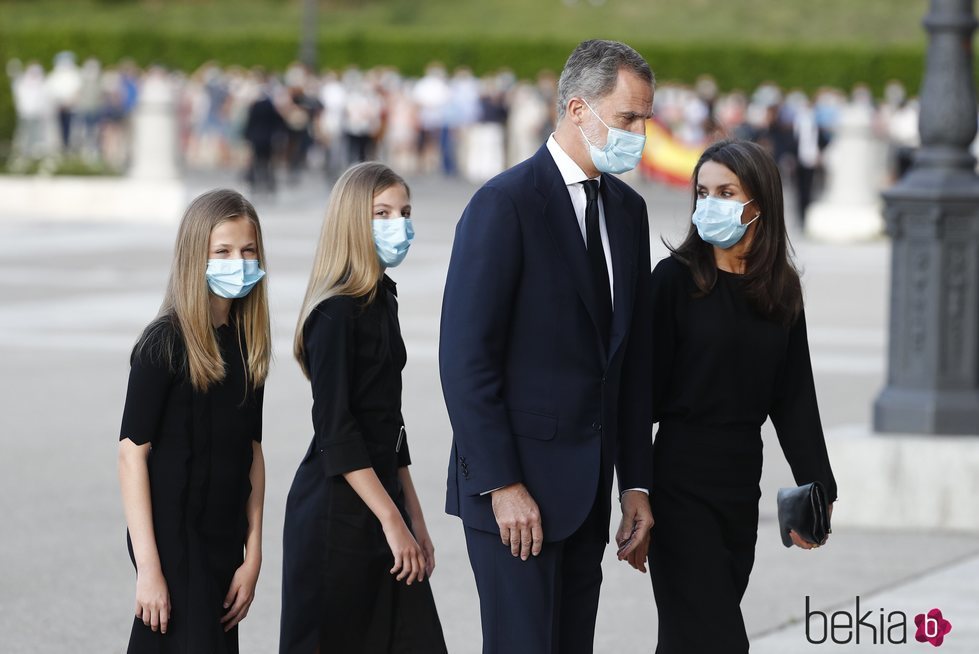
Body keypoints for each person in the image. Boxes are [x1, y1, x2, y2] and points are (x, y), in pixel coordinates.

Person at [440, 40, 656, 654]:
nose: (639, 133)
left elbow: (630, 361)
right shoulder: (503, 204)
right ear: (578, 109)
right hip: (514, 499)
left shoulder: (628, 212)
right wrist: (501, 484)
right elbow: (464, 362)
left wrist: (636, 481)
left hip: (588, 498)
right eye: (628, 119)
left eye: (646, 119)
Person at [647, 139, 838, 653]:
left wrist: (818, 488)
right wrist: (633, 493)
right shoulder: (674, 281)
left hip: (738, 483)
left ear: (759, 203)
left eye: (726, 192)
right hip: (679, 479)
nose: (711, 203)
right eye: (703, 192)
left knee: (691, 638)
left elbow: (796, 398)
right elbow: (635, 393)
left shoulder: (780, 289)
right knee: (720, 640)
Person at [280, 162, 447, 653]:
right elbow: (338, 431)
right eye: (382, 213)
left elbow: (390, 425)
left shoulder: (383, 299)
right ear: (353, 220)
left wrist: (414, 517)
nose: (400, 223)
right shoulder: (332, 314)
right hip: (338, 517)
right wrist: (393, 522)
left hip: (382, 502)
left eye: (405, 211)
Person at [118, 189, 271, 653]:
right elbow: (131, 454)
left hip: (223, 538)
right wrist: (149, 568)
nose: (238, 262)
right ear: (194, 257)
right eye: (222, 251)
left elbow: (253, 452)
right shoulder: (162, 343)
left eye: (248, 251)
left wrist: (254, 554)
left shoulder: (247, 345)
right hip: (172, 539)